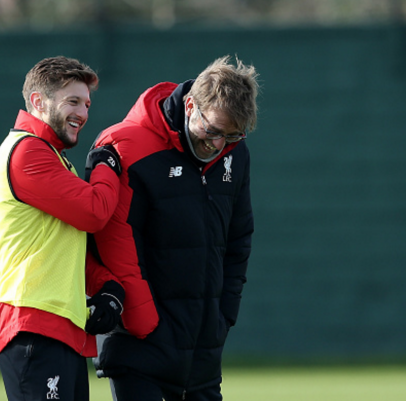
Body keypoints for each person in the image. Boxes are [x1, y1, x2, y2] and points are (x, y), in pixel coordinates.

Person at [87, 55, 259, 401]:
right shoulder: (126, 146)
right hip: (139, 344)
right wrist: (146, 323)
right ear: (191, 105)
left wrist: (222, 315)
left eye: (231, 135)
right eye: (211, 131)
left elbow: (238, 241)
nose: (217, 145)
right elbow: (114, 243)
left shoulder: (234, 154)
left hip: (202, 351)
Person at [0, 56, 126, 401]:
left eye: (87, 104)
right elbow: (95, 212)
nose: (83, 112)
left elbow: (63, 244)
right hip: (35, 326)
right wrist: (106, 164)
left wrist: (107, 286)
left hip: (59, 328)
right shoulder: (27, 151)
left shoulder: (51, 154)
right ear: (38, 101)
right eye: (72, 101)